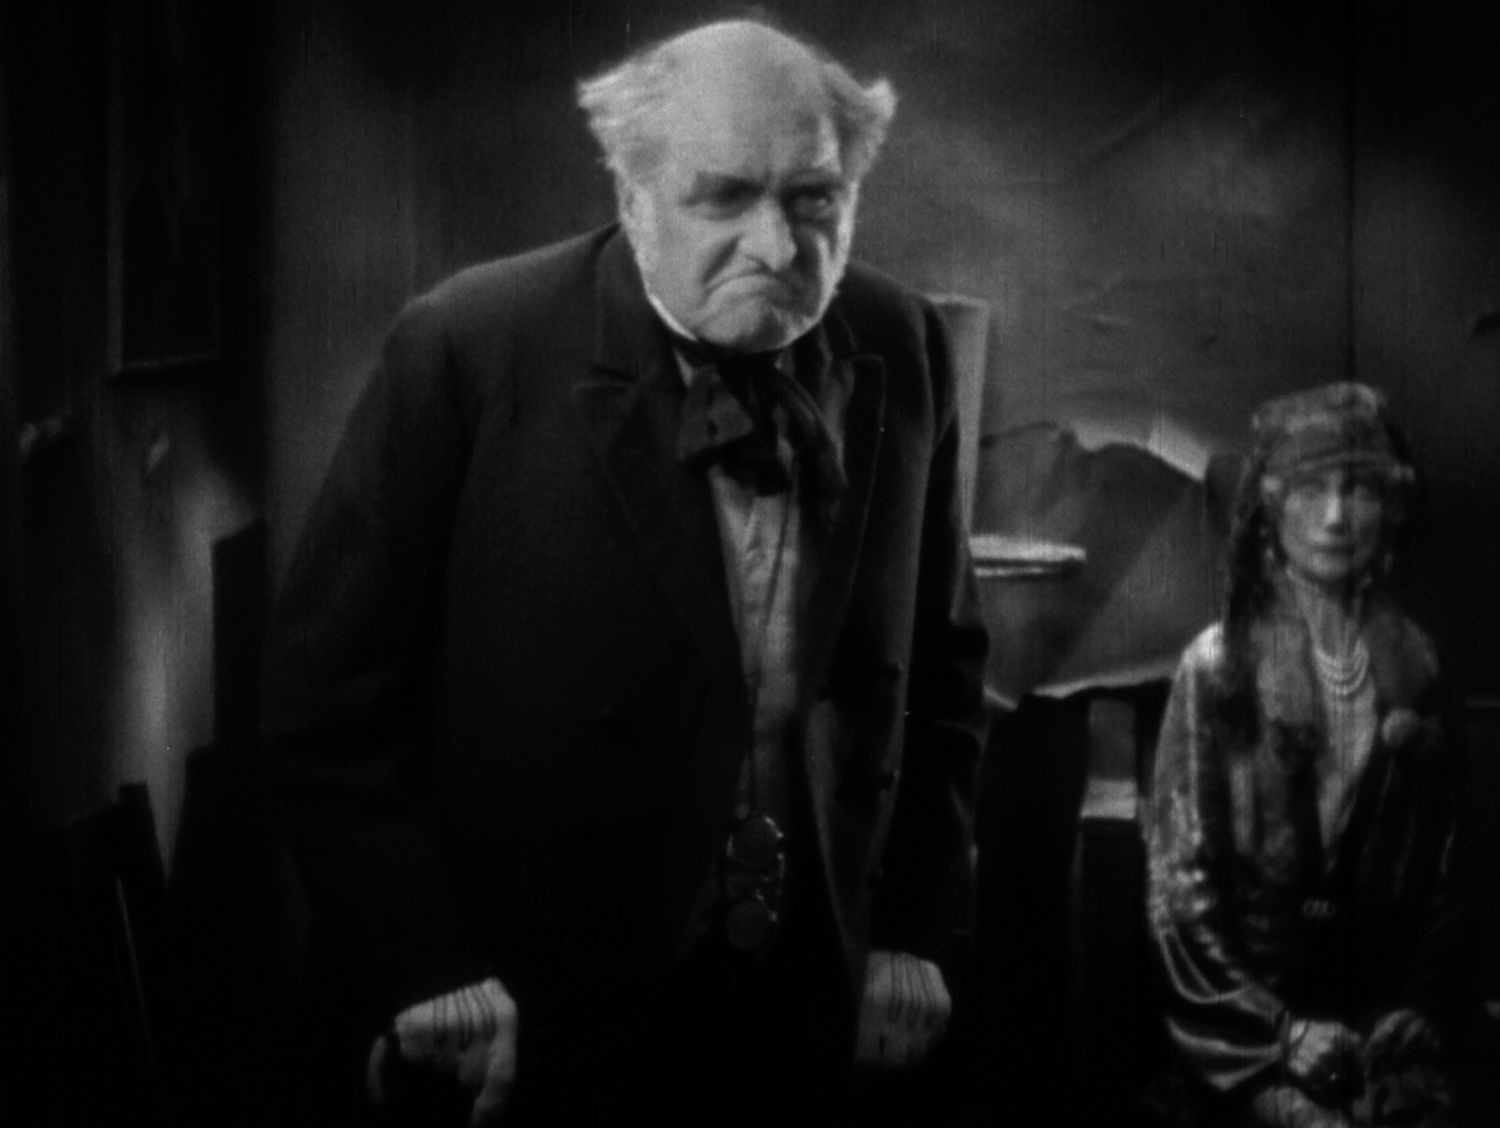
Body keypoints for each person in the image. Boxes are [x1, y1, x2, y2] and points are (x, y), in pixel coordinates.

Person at [260, 18, 990, 1126]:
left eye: (814, 199)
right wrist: (429, 967)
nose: (777, 247)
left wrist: (911, 931)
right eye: (723, 197)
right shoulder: (468, 345)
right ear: (632, 192)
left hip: (806, 995)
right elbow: (324, 704)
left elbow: (943, 669)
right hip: (541, 1005)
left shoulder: (904, 342)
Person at [1143, 383, 1482, 1127]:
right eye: (1310, 489)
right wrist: (1277, 1032)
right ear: (1273, 506)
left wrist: (1423, 1005)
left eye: (1357, 489)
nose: (1334, 516)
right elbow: (1179, 893)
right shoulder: (1218, 669)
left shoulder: (1418, 667)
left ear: (1389, 507)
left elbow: (1456, 862)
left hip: (1381, 1031)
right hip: (1247, 1041)